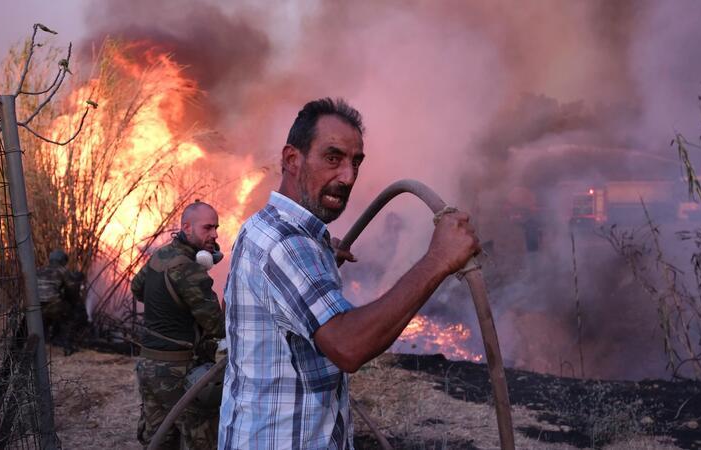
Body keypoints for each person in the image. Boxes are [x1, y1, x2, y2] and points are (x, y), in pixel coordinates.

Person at [219, 98, 480, 449]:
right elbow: (348, 347)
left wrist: (322, 255)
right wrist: (437, 260)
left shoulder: (265, 228)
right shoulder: (286, 245)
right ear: (292, 159)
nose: (348, 176)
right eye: (333, 158)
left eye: (355, 163)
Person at [131, 201, 225, 449]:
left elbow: (137, 288)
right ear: (186, 227)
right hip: (179, 370)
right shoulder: (189, 269)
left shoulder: (160, 255)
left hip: (148, 365)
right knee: (201, 438)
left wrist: (171, 309)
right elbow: (216, 325)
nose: (214, 234)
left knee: (159, 438)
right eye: (207, 228)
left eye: (216, 227)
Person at [36, 249, 84, 355]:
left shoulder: (40, 269)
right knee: (71, 317)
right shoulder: (62, 270)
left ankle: (43, 345)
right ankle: (68, 346)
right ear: (62, 260)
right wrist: (74, 302)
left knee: (44, 322)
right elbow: (71, 289)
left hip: (35, 306)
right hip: (52, 304)